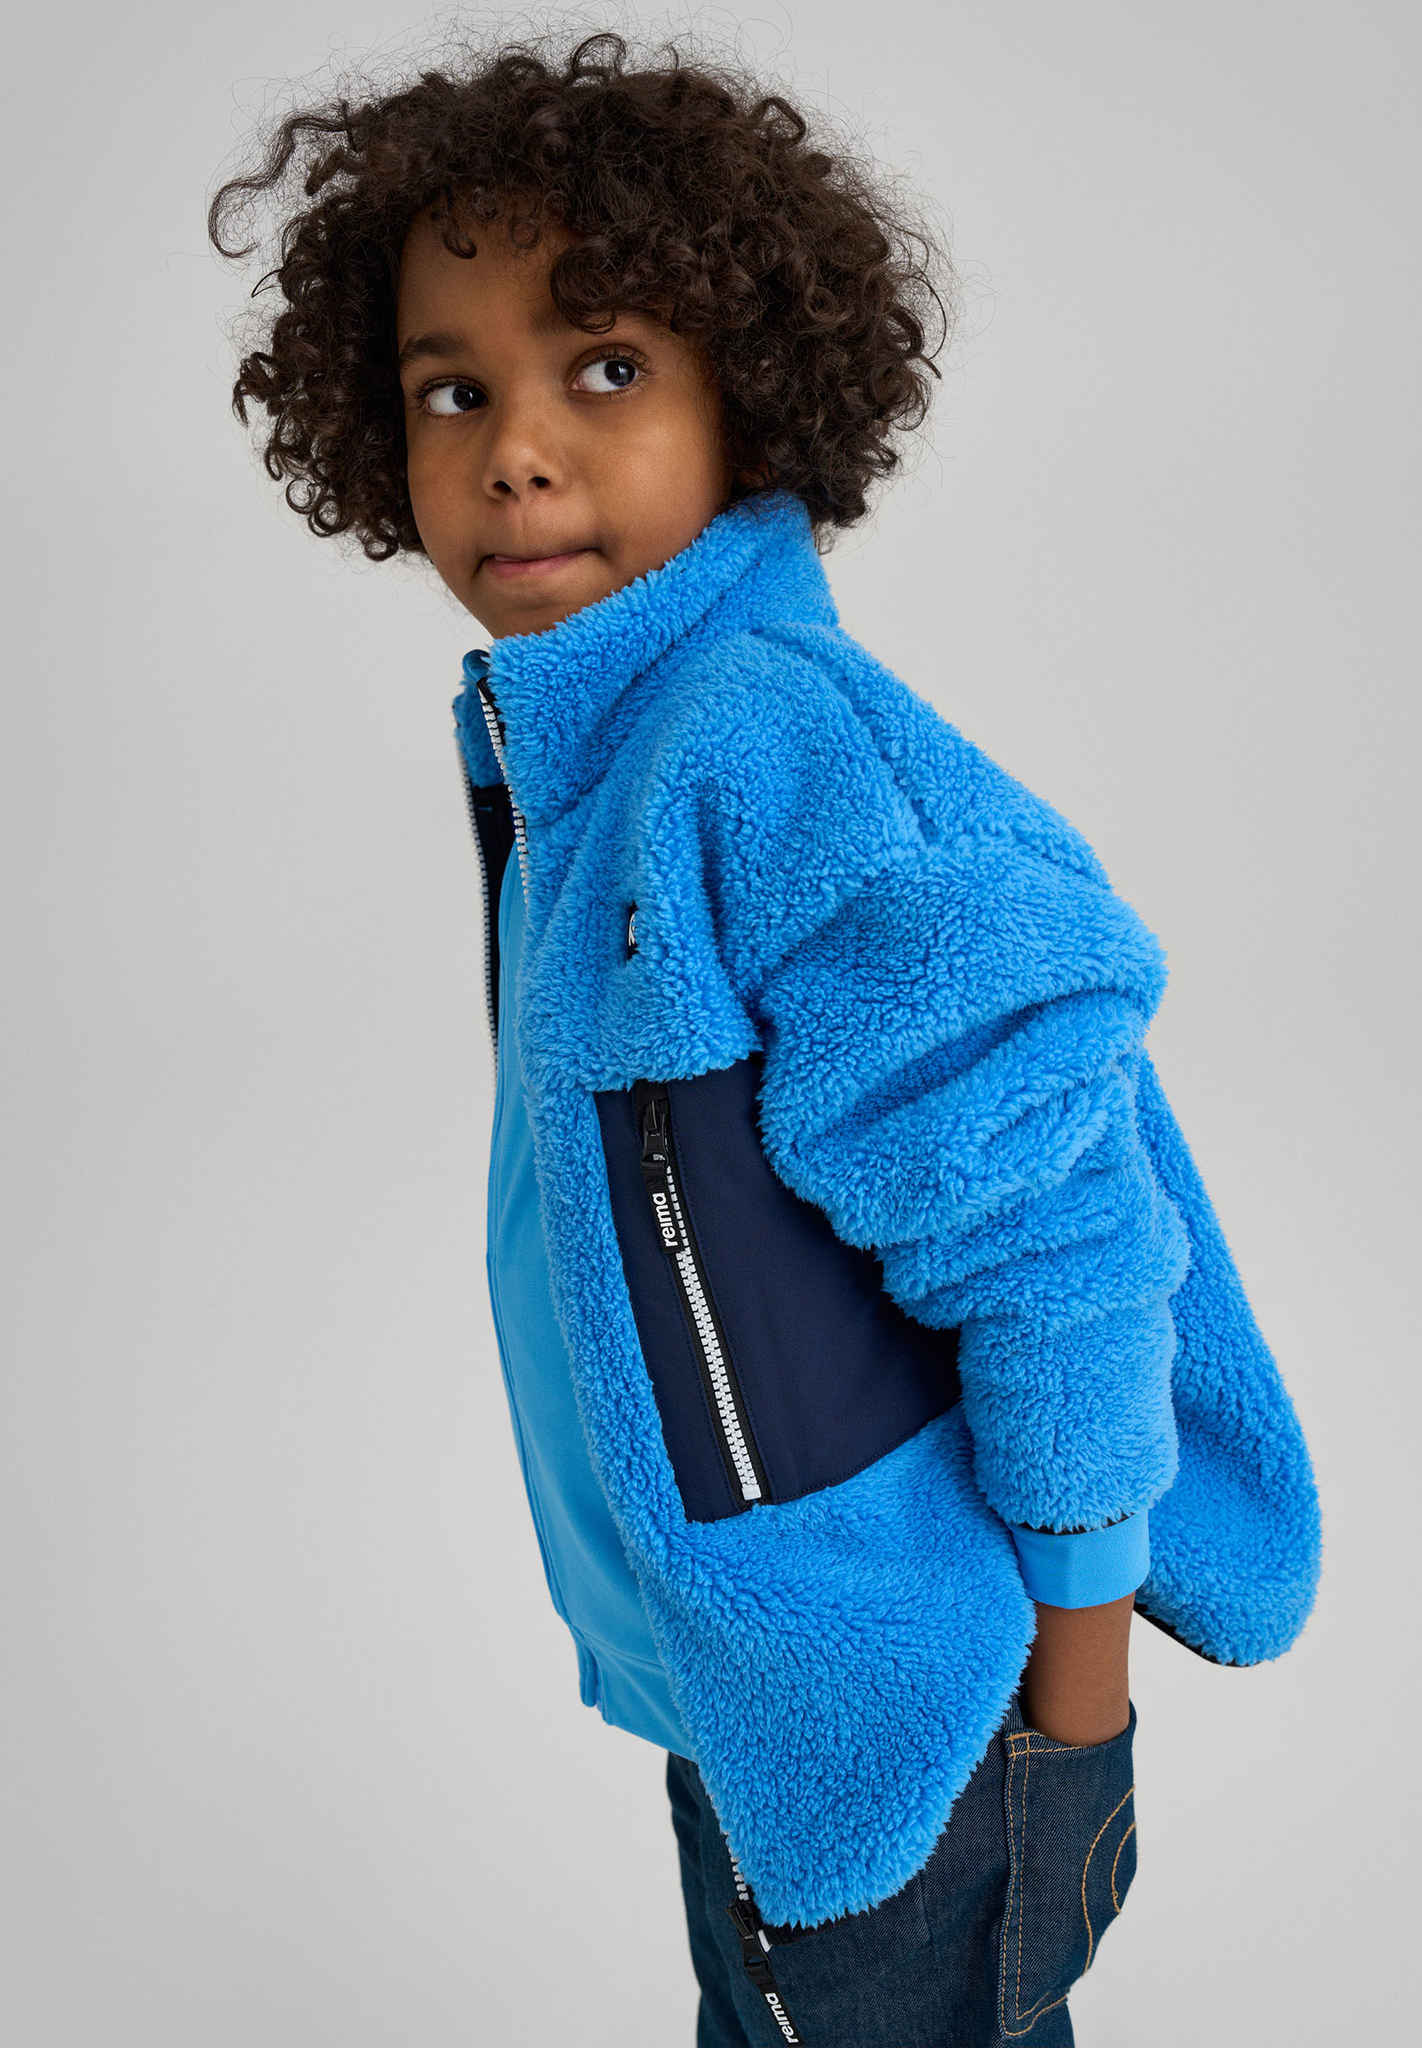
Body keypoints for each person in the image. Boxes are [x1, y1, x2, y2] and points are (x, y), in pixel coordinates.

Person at [208, 29, 1322, 2044]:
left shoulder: (774, 751)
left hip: (922, 1727)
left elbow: (1060, 1241)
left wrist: (1075, 1702)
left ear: (753, 395)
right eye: (454, 390)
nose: (515, 450)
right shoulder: (591, 756)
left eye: (603, 368)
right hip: (767, 1709)